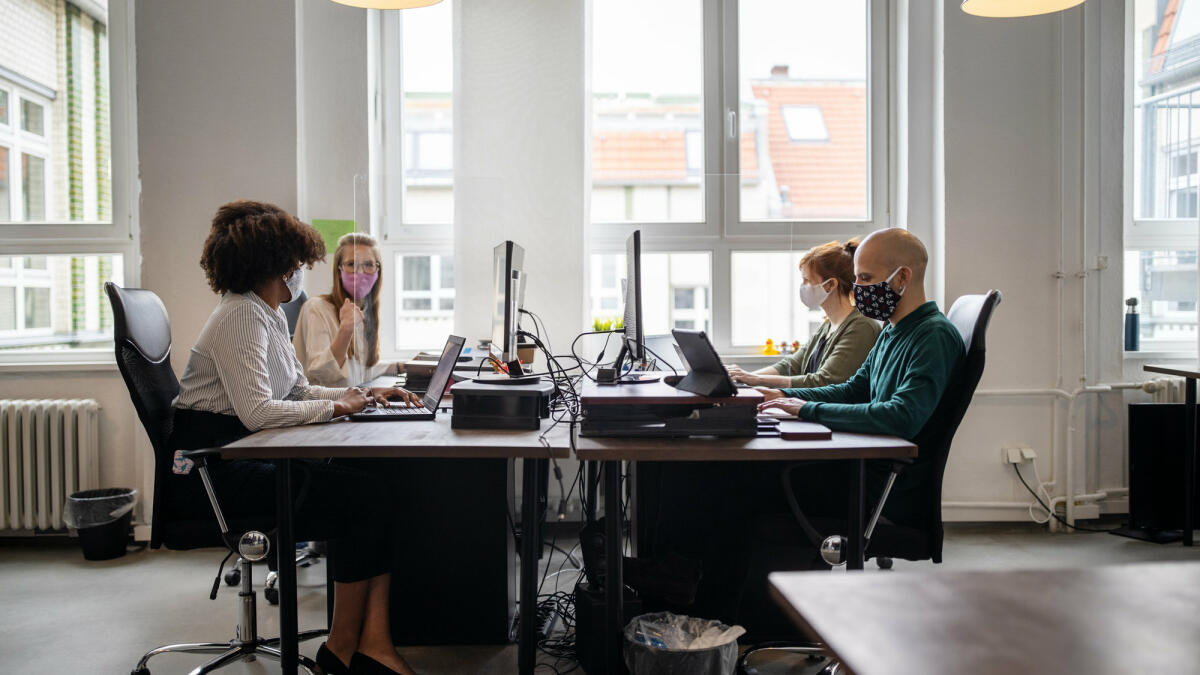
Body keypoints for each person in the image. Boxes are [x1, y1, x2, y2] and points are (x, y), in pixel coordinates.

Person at [169, 201, 421, 675]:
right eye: (296, 264)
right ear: (273, 264)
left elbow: (295, 388)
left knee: (374, 481)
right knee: (365, 497)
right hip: (219, 474)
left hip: (244, 455)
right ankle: (345, 648)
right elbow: (260, 411)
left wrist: (360, 394)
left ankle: (371, 642)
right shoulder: (241, 314)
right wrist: (336, 406)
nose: (300, 272)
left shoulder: (262, 312)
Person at [758, 227, 966, 525]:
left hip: (881, 487)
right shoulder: (892, 329)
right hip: (864, 468)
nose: (856, 288)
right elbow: (854, 389)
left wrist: (807, 409)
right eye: (856, 278)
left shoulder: (932, 336)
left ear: (902, 277)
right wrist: (786, 397)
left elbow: (901, 416)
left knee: (749, 481)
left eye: (865, 278)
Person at [727, 239, 880, 389]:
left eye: (807, 280)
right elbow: (791, 365)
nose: (803, 286)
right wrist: (743, 380)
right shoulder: (828, 325)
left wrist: (756, 379)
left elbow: (824, 381)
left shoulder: (861, 327)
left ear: (830, 285)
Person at [294, 232, 399, 387]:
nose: (360, 272)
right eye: (351, 264)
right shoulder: (316, 308)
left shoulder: (365, 311)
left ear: (378, 271)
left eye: (368, 265)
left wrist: (401, 367)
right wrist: (346, 329)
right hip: (326, 407)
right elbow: (322, 375)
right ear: (339, 270)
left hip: (352, 403)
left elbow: (360, 372)